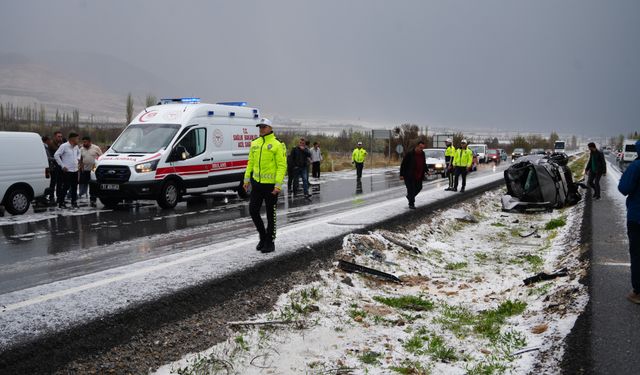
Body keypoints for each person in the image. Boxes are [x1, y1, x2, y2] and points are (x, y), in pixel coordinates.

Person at [243, 118, 287, 253]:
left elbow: (282, 166)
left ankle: (270, 241)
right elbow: (250, 162)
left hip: (271, 187)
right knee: (253, 210)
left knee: (270, 214)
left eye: (263, 127)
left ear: (270, 128)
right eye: (259, 127)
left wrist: (278, 185)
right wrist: (246, 179)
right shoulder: (255, 143)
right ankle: (262, 236)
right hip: (257, 184)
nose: (261, 129)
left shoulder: (277, 144)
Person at [618, 139, 640, 304]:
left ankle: (638, 292)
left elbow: (624, 188)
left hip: (637, 218)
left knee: (638, 254)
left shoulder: (636, 166)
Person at [54, 132, 80, 208]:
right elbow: (56, 155)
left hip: (75, 170)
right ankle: (61, 203)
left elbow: (79, 153)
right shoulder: (64, 146)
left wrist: (78, 159)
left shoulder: (76, 146)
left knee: (74, 187)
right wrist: (62, 166)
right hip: (67, 171)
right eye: (77, 139)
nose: (78, 140)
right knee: (66, 187)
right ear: (73, 139)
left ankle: (74, 202)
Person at [400, 140, 426, 209]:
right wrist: (401, 174)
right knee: (411, 189)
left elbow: (424, 163)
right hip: (409, 175)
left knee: (419, 187)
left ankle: (410, 197)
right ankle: (411, 204)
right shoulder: (410, 154)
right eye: (420, 147)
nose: (421, 149)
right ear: (417, 146)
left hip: (419, 175)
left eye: (422, 148)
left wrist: (427, 171)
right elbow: (403, 164)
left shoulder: (423, 154)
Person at [79, 136, 103, 207]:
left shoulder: (96, 148)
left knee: (93, 185)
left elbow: (101, 157)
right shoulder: (81, 149)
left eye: (85, 142)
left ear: (89, 142)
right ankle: (82, 196)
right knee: (83, 183)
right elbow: (80, 159)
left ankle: (93, 199)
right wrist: (81, 166)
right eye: (83, 142)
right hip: (85, 169)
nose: (84, 143)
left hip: (94, 169)